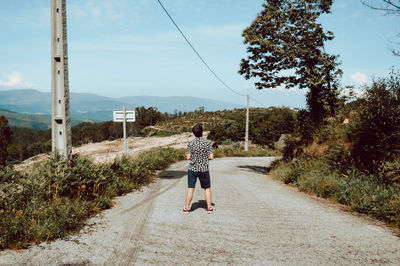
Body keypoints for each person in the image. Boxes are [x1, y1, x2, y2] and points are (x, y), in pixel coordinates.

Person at [181, 123, 215, 214]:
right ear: (202, 132)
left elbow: (188, 157)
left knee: (190, 188)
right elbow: (211, 157)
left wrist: (195, 157)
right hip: (204, 169)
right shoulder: (208, 143)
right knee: (207, 188)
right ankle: (209, 208)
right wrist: (203, 158)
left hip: (193, 169)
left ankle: (187, 208)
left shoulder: (191, 143)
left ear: (194, 133)